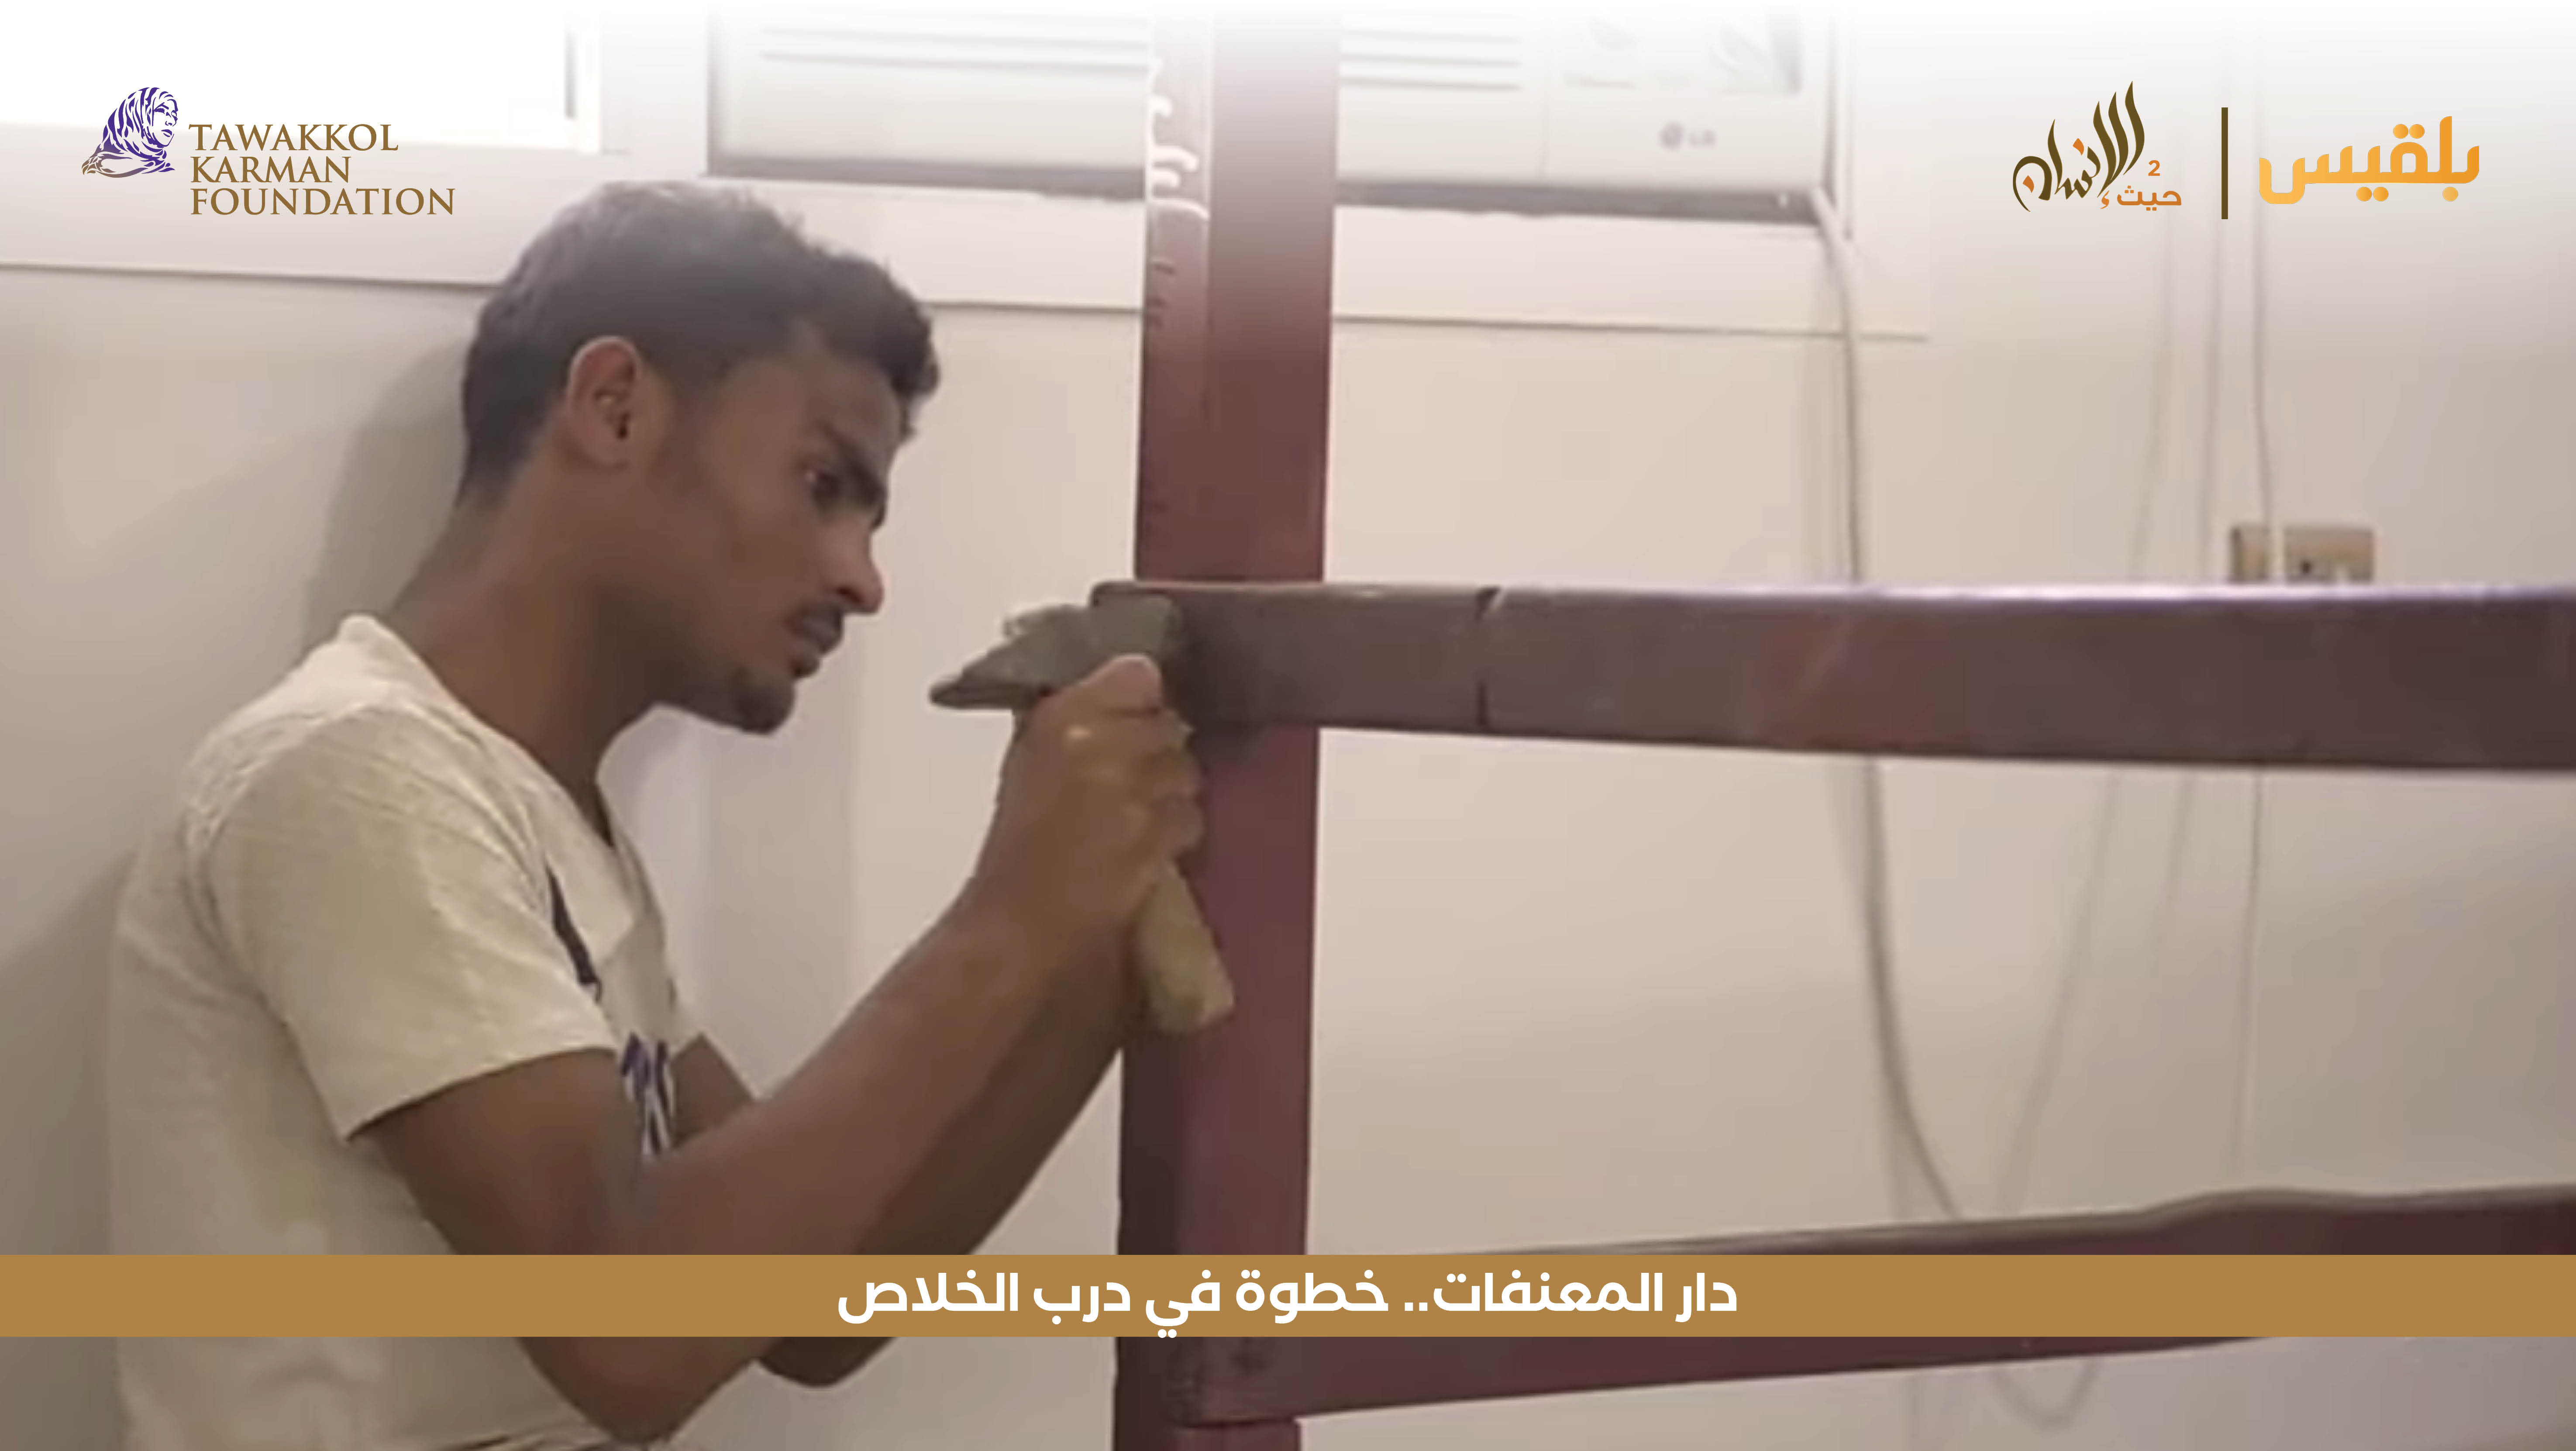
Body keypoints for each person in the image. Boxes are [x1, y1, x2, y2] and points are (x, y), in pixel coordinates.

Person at [103, 181, 1203, 1451]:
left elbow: (815, 1315)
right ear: (614, 406)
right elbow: (630, 1341)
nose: (862, 577)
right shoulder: (355, 769)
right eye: (822, 483)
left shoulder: (543, 823)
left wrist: (1085, 952)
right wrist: (1010, 917)